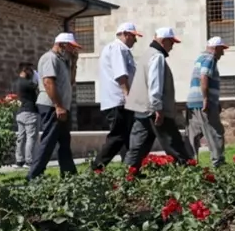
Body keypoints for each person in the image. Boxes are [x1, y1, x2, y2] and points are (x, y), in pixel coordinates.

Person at [125, 27, 193, 170]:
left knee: (137, 147)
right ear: (163, 41)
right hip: (155, 110)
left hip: (141, 108)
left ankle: (128, 175)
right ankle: (189, 174)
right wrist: (158, 108)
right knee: (174, 145)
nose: (172, 47)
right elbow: (155, 84)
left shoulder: (147, 54)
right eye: (171, 43)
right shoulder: (157, 56)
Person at [90, 22, 145, 171]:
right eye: (134, 36)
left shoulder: (121, 49)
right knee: (118, 137)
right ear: (125, 34)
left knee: (127, 138)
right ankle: (96, 168)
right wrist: (127, 96)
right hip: (119, 100)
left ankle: (131, 170)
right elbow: (121, 75)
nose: (135, 40)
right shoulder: (118, 48)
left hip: (120, 100)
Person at [27, 33, 81, 180]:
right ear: (62, 45)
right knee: (49, 141)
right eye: (71, 47)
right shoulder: (49, 58)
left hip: (60, 106)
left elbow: (70, 82)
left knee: (64, 142)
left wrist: (74, 63)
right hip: (52, 106)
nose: (73, 51)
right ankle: (34, 175)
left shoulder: (62, 61)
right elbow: (48, 83)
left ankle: (69, 174)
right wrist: (58, 106)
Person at [187, 36, 229, 166]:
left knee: (193, 134)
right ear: (215, 48)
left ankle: (191, 162)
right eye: (221, 49)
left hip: (193, 102)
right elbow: (204, 76)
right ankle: (218, 162)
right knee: (215, 132)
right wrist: (206, 99)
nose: (223, 52)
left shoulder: (200, 58)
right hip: (204, 103)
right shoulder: (210, 58)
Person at [13, 62, 39, 168]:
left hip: (20, 113)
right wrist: (37, 76)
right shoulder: (27, 83)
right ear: (25, 70)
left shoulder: (16, 83)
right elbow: (38, 86)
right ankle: (29, 161)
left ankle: (19, 160)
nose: (32, 72)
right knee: (31, 137)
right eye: (30, 70)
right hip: (30, 112)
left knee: (21, 137)